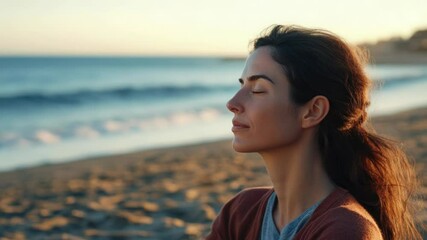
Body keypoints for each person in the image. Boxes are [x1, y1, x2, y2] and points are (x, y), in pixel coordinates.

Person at [206, 25, 421, 240]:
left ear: (313, 111)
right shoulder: (241, 211)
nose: (232, 103)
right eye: (242, 85)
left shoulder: (347, 230)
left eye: (258, 90)